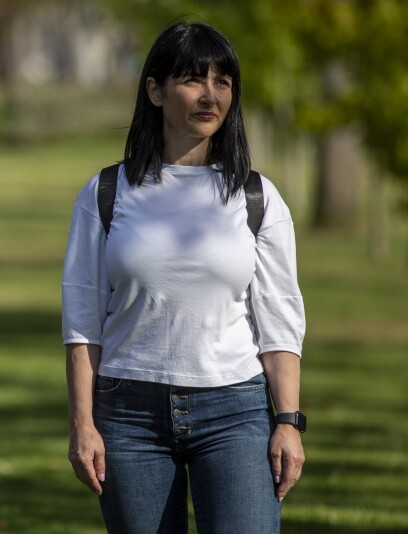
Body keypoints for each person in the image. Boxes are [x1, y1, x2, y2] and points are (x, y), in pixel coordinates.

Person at [62, 21, 306, 533]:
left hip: (236, 412)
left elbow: (280, 324)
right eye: (193, 79)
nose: (210, 94)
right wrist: (83, 424)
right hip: (130, 417)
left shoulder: (257, 198)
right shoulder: (107, 192)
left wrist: (287, 421)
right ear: (154, 89)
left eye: (223, 82)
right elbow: (82, 321)